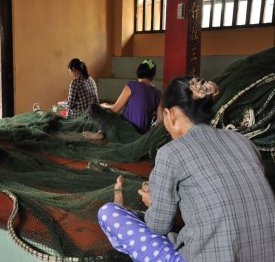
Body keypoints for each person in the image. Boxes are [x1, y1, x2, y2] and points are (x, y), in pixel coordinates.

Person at [98, 76, 275, 261]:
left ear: (171, 115)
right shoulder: (243, 142)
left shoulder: (170, 153)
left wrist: (153, 203)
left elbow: (158, 226)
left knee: (109, 213)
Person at [83, 59, 162, 140]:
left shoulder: (132, 85)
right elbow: (160, 119)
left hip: (124, 129)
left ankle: (101, 133)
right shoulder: (158, 93)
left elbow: (115, 109)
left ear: (139, 72)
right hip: (141, 134)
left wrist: (105, 106)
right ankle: (101, 133)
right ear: (153, 76)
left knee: (94, 107)